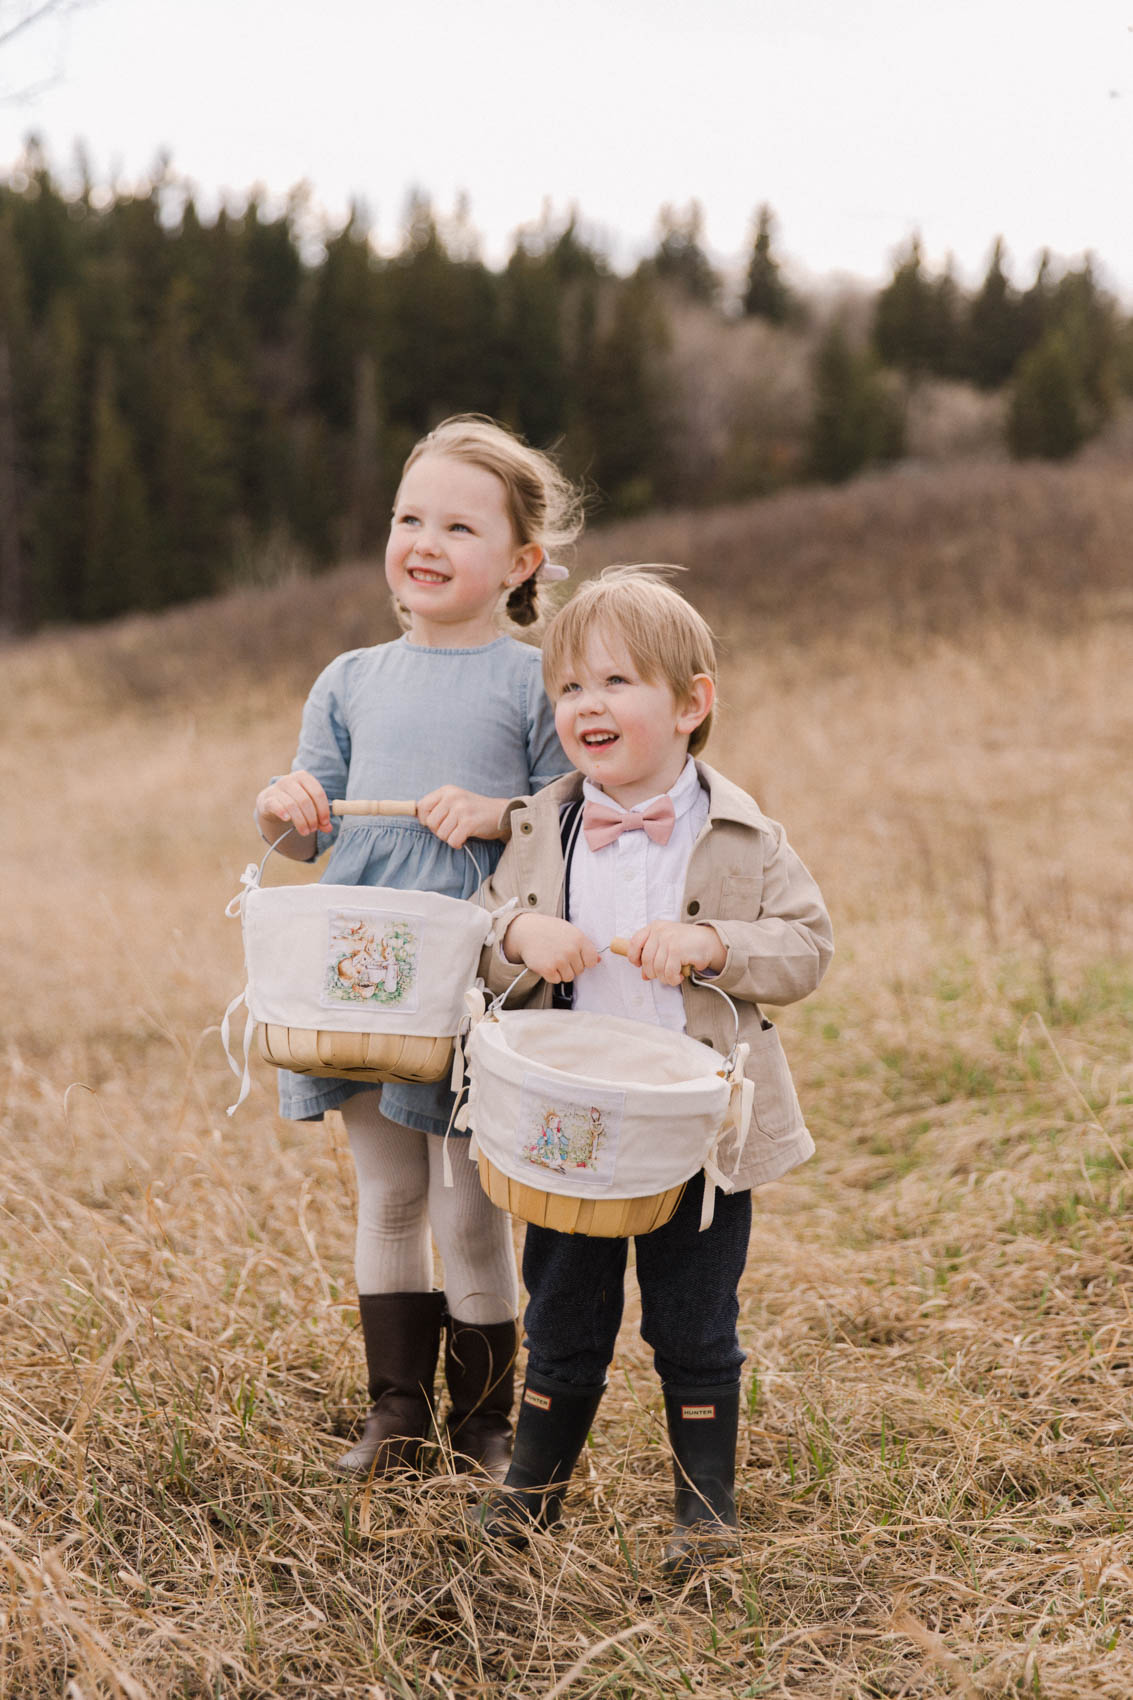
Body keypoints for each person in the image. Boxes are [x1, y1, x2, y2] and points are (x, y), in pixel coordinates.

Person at [474, 566, 833, 1573]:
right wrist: (522, 930)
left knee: (693, 1316)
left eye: (615, 682)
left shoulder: (742, 833)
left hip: (695, 1129)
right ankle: (531, 1494)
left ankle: (702, 1504)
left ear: (688, 703)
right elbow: (485, 929)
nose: (586, 703)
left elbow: (807, 947)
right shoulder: (544, 824)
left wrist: (713, 941)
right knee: (562, 1311)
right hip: (572, 1122)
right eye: (569, 688)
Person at [253, 416, 583, 1480]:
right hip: (361, 976)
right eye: (408, 518)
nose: (424, 540)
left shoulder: (534, 681)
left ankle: (485, 1420)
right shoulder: (348, 678)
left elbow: (565, 821)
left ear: (519, 562)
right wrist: (284, 805)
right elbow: (306, 834)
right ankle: (394, 1412)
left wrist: (496, 815)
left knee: (464, 1203)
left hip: (473, 985)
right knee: (387, 1193)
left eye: (457, 523)